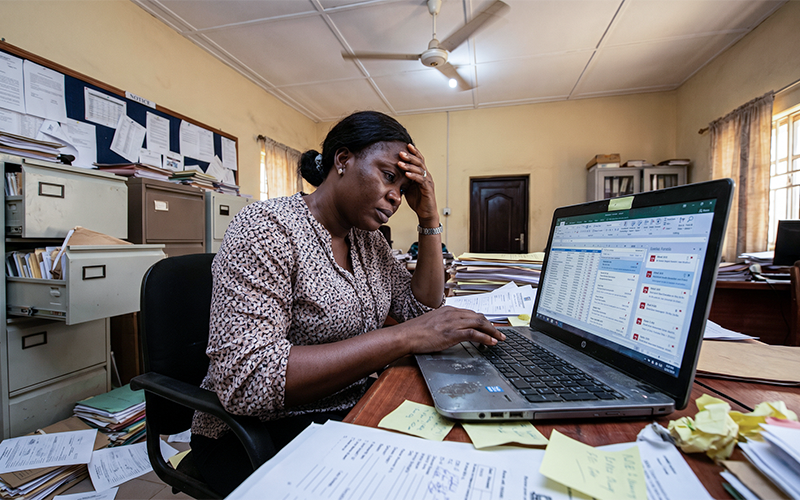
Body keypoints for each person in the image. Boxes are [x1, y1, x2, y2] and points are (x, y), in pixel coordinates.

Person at [190, 110, 503, 495]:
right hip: (255, 431)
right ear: (342, 160)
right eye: (389, 177)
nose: (394, 196)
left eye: (403, 190)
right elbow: (249, 381)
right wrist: (403, 338)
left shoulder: (367, 241)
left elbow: (420, 307)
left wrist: (429, 216)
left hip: (343, 410)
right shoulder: (266, 229)